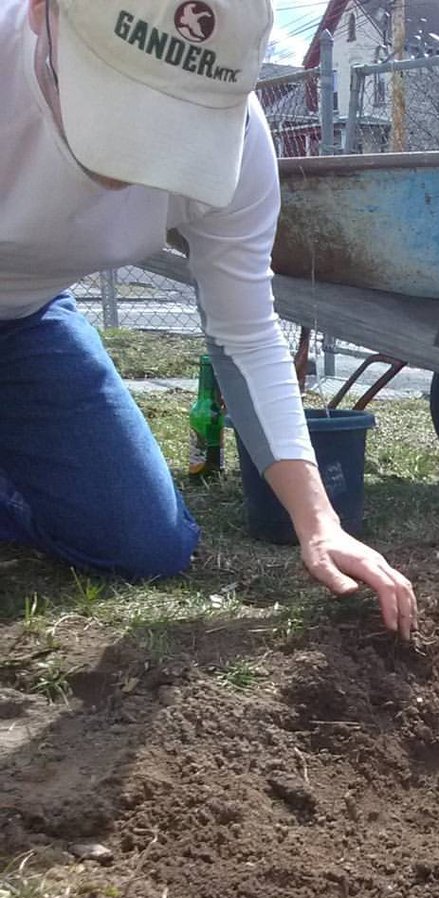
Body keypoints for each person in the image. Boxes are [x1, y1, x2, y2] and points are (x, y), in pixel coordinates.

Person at [1, 0, 416, 639]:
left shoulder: (240, 143)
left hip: (27, 320)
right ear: (41, 13)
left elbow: (245, 334)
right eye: (117, 101)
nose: (135, 150)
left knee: (145, 544)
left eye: (170, 118)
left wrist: (319, 522)